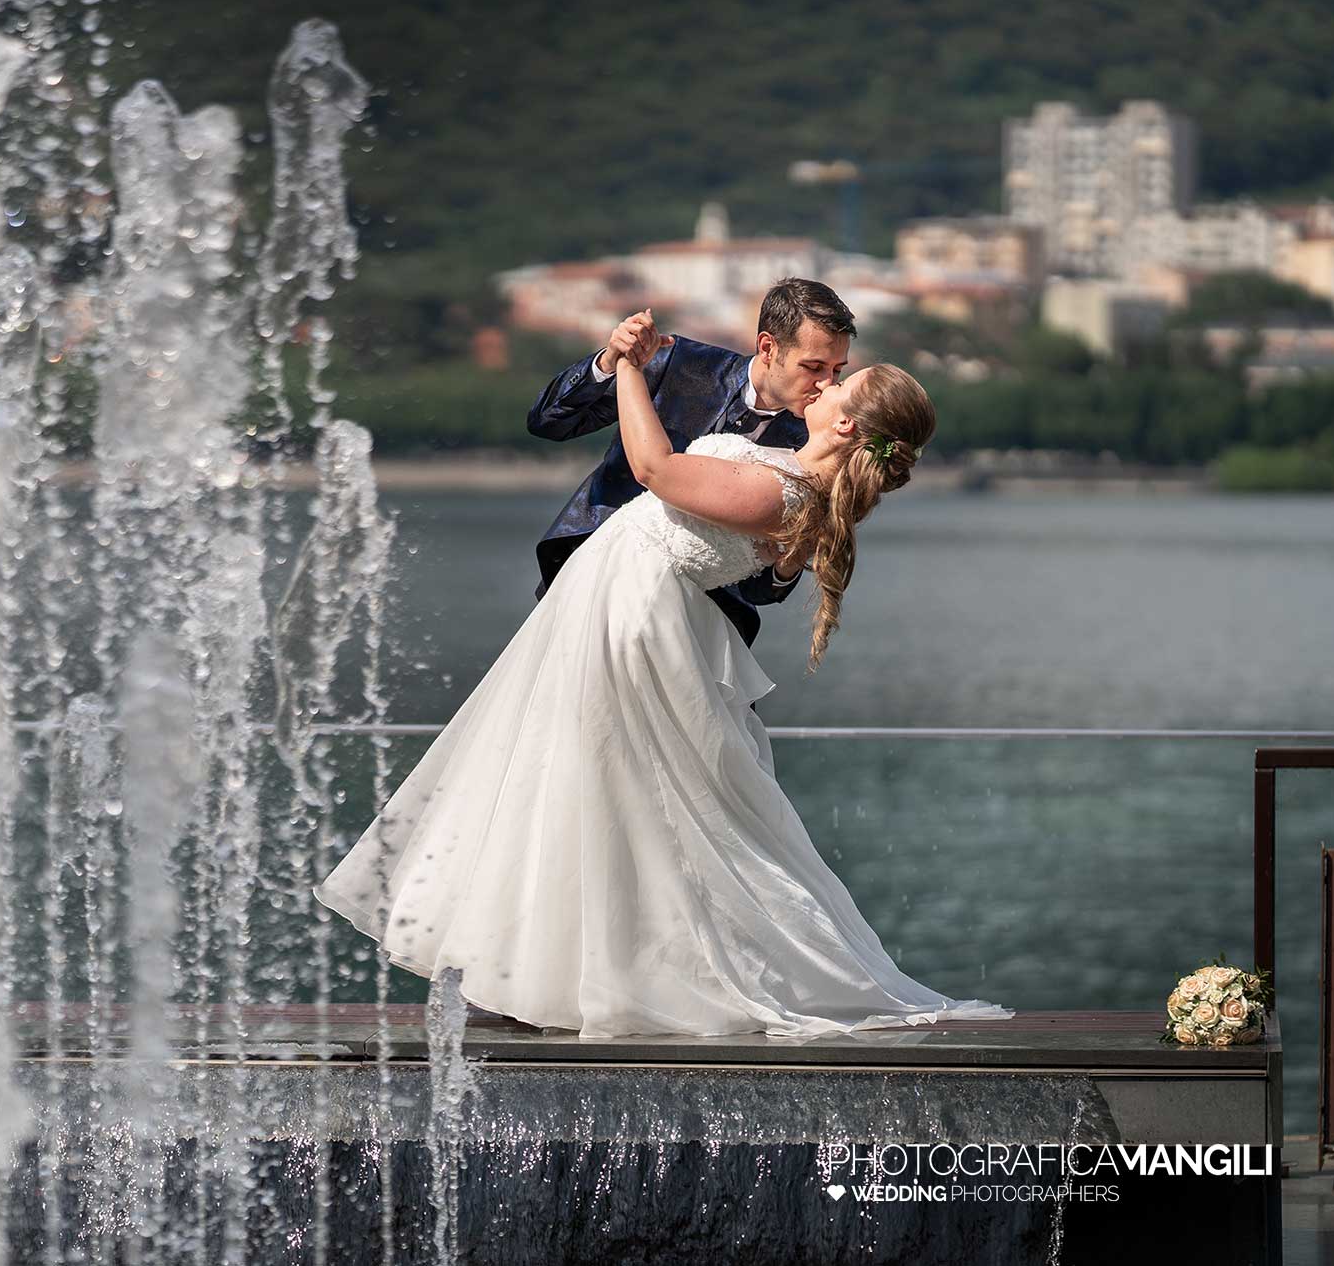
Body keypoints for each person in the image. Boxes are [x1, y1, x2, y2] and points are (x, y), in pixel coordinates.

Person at [313, 337, 1012, 1038]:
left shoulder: (782, 491)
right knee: (567, 781)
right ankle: (537, 963)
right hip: (615, 602)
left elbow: (653, 467)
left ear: (847, 426)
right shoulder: (797, 478)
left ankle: (582, 969)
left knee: (589, 785)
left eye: (839, 386)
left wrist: (628, 370)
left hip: (627, 615)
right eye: (825, 373)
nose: (825, 387)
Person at [526, 278, 855, 649]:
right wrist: (608, 361)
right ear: (767, 347)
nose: (826, 385)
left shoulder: (813, 445)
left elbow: (760, 589)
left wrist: (789, 561)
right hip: (592, 578)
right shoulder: (674, 361)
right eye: (814, 367)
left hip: (696, 629)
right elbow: (548, 422)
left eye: (837, 371)